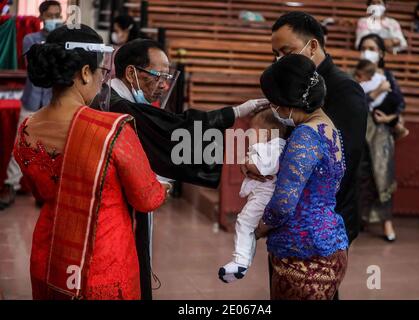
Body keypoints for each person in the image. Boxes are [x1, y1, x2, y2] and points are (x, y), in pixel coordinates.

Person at [13, 24, 169, 300]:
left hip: (51, 255)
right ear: (85, 73)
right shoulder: (112, 129)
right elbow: (147, 199)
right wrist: (164, 188)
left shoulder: (27, 128)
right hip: (101, 262)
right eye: (101, 72)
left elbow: (41, 192)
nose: (102, 79)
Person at [109, 38, 268, 299]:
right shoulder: (119, 107)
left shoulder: (123, 102)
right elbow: (176, 130)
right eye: (158, 76)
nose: (163, 84)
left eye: (166, 77)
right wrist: (235, 113)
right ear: (131, 73)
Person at [266, 11, 367, 300]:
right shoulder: (291, 81)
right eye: (276, 54)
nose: (280, 60)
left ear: (312, 46)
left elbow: (343, 164)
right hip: (290, 221)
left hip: (319, 227)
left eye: (286, 51)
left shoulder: (344, 90)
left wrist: (298, 215)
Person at [255, 54, 348, 300]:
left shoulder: (304, 136)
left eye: (273, 101)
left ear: (287, 103)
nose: (272, 108)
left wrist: (257, 229)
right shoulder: (329, 127)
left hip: (303, 253)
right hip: (330, 242)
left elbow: (283, 204)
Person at [0, 0, 62, 210]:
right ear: (42, 17)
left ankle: (44, 190)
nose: (54, 19)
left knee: (52, 148)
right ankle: (10, 185)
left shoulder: (63, 41)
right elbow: (37, 68)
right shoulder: (30, 39)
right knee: (21, 142)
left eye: (57, 15)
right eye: (50, 15)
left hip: (55, 101)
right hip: (32, 99)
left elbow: (62, 70)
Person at [219, 109, 287, 283]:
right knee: (247, 225)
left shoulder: (273, 147)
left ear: (268, 132)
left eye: (253, 130)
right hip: (262, 194)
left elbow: (266, 169)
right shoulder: (272, 146)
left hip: (265, 196)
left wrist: (248, 163)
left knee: (244, 222)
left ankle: (240, 262)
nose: (249, 134)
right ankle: (243, 260)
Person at [358, 33, 405, 242]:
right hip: (360, 133)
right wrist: (376, 93)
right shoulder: (355, 74)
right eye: (364, 47)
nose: (368, 51)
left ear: (381, 52)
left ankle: (387, 223)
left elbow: (400, 102)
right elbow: (356, 103)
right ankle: (359, 220)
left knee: (383, 175)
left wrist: (390, 117)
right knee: (360, 178)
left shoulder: (388, 75)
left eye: (372, 48)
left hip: (381, 134)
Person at [354, 59, 409, 139]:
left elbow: (400, 102)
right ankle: (398, 126)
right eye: (356, 74)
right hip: (382, 105)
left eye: (359, 76)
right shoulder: (378, 77)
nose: (356, 77)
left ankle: (399, 127)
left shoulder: (366, 83)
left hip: (386, 104)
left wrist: (388, 118)